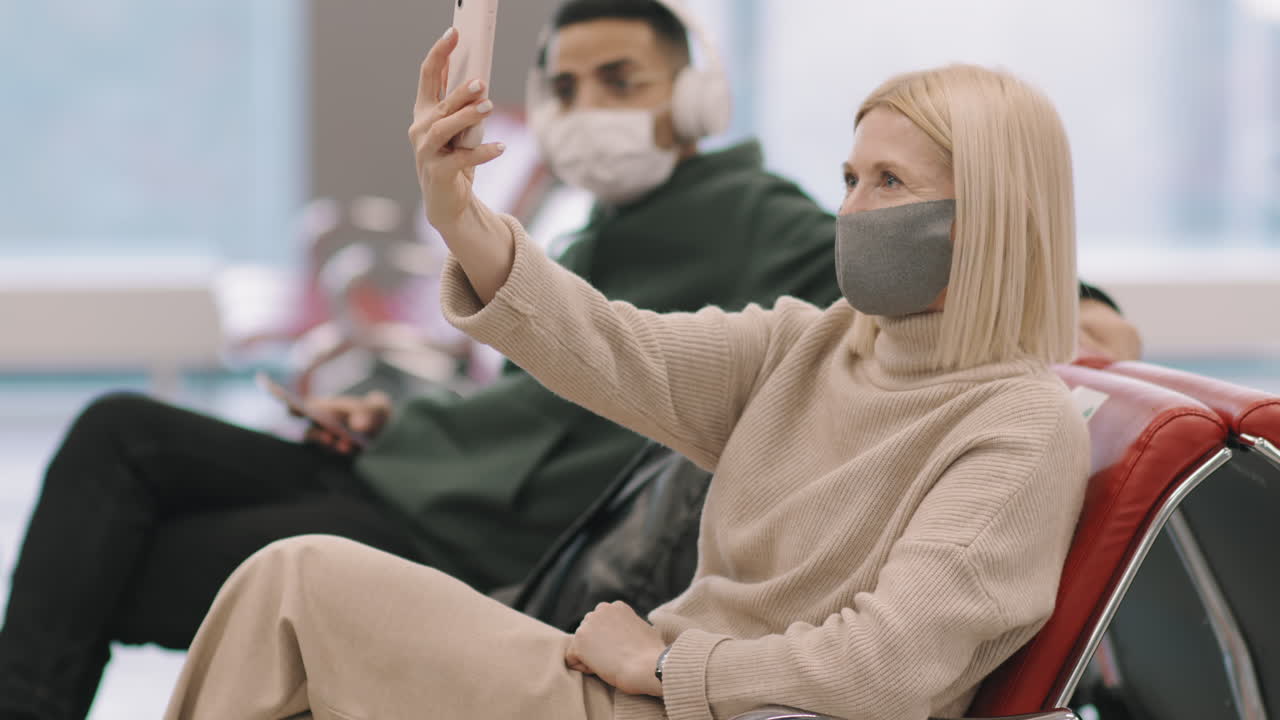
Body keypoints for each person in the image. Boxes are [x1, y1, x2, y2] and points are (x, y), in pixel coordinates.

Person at [0, 2, 1133, 718]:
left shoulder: (1014, 427)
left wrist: (665, 671)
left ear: (987, 215)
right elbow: (610, 344)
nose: (849, 210)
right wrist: (458, 216)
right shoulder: (816, 343)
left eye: (886, 184)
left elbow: (888, 671)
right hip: (625, 681)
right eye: (846, 177)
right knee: (266, 577)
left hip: (663, 700)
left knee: (295, 585)